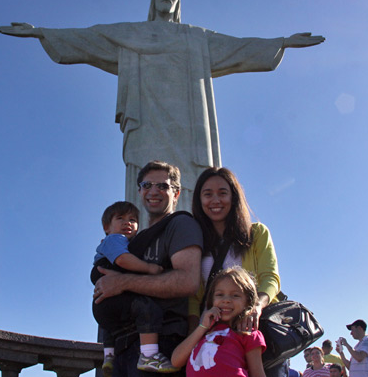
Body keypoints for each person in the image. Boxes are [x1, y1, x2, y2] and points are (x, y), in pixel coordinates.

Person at [0, 0, 325, 220]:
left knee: (193, 180)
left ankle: (195, 237)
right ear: (153, 0)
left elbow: (236, 47)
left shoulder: (195, 37)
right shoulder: (132, 33)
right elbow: (90, 38)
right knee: (147, 174)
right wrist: (41, 32)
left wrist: (282, 42)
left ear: (178, 2)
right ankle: (146, 234)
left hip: (187, 121)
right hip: (147, 116)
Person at [94, 161, 203, 376]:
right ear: (140, 191)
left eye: (162, 186)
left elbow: (188, 281)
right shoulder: (133, 239)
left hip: (161, 343)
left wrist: (123, 282)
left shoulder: (180, 225)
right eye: (147, 185)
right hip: (121, 346)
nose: (154, 191)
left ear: (177, 193)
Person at [189, 167, 283, 376]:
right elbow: (195, 296)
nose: (215, 200)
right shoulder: (196, 244)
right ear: (199, 199)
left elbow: (271, 278)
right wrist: (195, 333)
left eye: (223, 193)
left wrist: (255, 308)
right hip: (214, 341)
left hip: (254, 333)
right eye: (208, 194)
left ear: (234, 196)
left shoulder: (257, 233)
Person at [91, 201, 176, 375]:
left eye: (132, 219)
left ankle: (109, 357)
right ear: (107, 227)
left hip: (104, 305)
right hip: (111, 300)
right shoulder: (115, 239)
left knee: (112, 327)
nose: (127, 222)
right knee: (147, 309)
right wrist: (149, 268)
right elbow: (122, 260)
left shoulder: (121, 242)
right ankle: (149, 354)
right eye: (120, 218)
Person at [171, 267, 267, 377]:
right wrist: (202, 327)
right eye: (219, 295)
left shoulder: (247, 333)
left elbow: (258, 373)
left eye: (235, 295)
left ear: (248, 302)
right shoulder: (204, 332)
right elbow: (176, 361)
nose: (226, 300)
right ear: (211, 300)